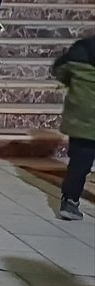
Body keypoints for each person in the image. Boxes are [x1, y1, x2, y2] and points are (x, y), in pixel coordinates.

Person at [54, 35, 95, 221]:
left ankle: (69, 202)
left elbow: (59, 70)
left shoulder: (81, 49)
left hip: (81, 119)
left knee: (78, 164)